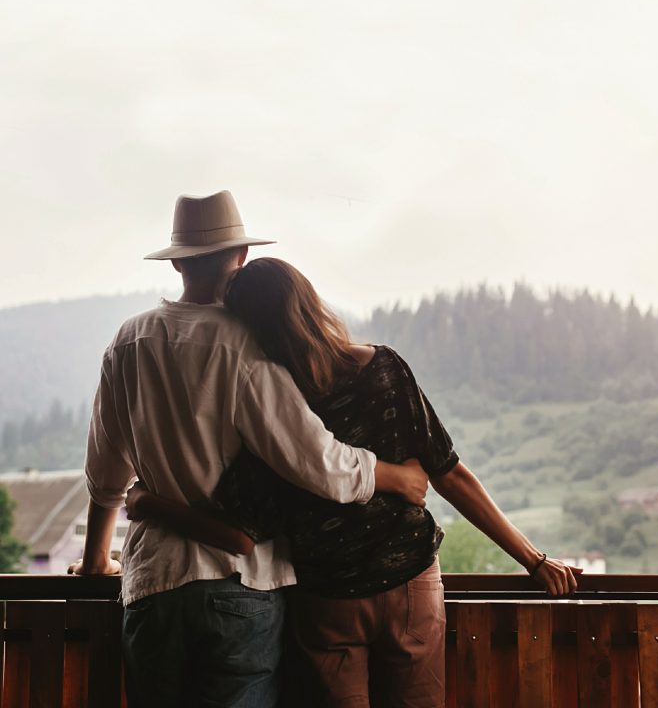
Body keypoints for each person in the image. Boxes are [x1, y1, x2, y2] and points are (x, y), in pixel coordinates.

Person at [126, 257, 581, 708]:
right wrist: (534, 561)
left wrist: (148, 503)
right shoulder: (383, 370)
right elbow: (450, 474)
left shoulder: (275, 411)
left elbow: (239, 532)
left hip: (329, 601)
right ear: (307, 301)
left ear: (248, 330)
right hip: (409, 583)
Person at [68, 191, 429, 708]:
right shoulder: (247, 344)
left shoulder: (128, 341)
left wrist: (96, 561)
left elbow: (105, 476)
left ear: (176, 262)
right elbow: (319, 465)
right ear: (238, 259)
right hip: (243, 582)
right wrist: (394, 476)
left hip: (153, 583)